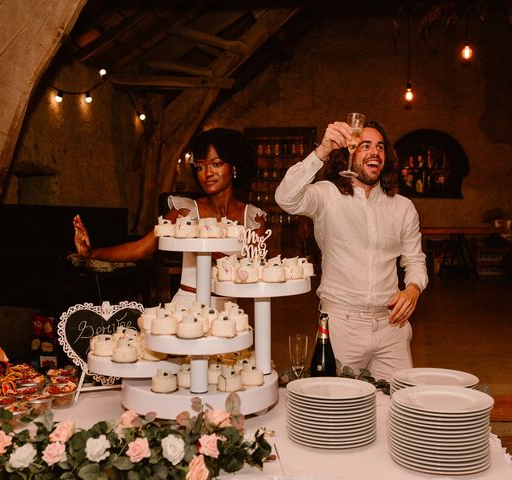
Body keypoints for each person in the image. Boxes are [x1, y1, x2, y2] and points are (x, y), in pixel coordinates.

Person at [274, 119, 428, 381]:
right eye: (365, 145)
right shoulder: (327, 196)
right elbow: (286, 198)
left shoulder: (403, 207)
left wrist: (413, 289)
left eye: (380, 147)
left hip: (391, 324)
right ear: (348, 154)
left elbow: (414, 260)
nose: (374, 152)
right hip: (341, 323)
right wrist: (322, 150)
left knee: (399, 405)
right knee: (339, 409)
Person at [73, 128, 267, 308]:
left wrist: (207, 250)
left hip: (228, 310)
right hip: (187, 305)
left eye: (216, 164)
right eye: (200, 167)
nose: (207, 173)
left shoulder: (253, 218)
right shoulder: (185, 212)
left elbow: (253, 270)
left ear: (234, 167)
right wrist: (91, 253)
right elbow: (140, 249)